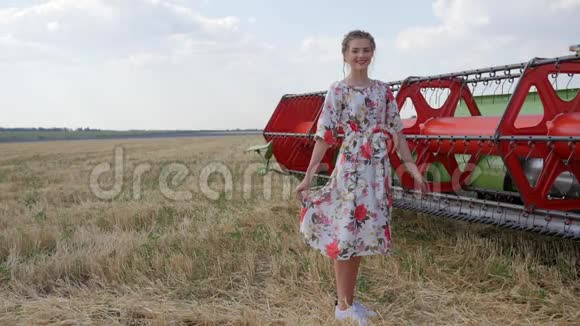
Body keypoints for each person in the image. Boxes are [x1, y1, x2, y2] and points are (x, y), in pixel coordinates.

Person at [294, 30, 426, 324]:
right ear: (345, 55)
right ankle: (342, 308)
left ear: (372, 53)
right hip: (352, 167)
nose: (361, 55)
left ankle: (349, 302)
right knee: (346, 234)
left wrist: (412, 167)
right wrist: (308, 178)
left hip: (377, 171)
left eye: (366, 50)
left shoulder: (383, 91)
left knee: (360, 236)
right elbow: (325, 136)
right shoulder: (338, 91)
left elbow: (397, 131)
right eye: (355, 50)